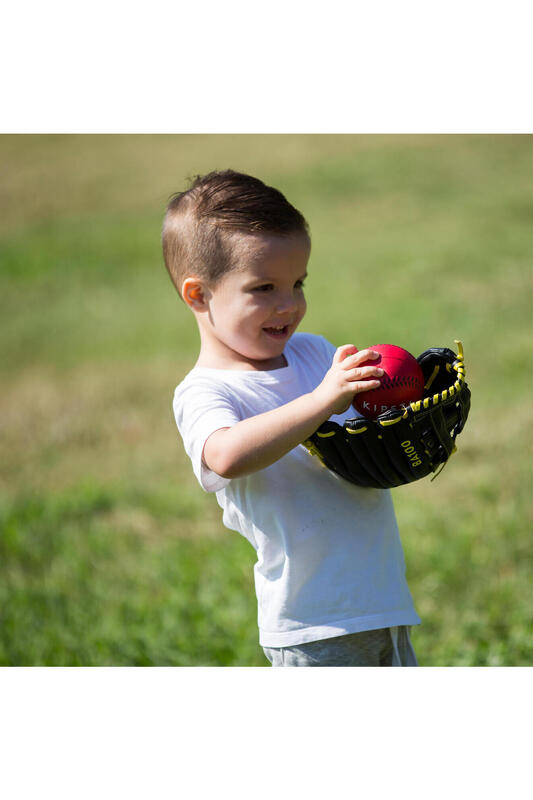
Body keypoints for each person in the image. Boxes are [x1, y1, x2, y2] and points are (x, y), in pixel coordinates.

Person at [166, 170, 420, 666]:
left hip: (381, 602)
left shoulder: (313, 356)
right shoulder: (206, 390)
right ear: (199, 295)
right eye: (264, 287)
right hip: (311, 624)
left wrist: (403, 411)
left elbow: (360, 439)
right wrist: (325, 398)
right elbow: (225, 455)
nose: (291, 304)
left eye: (298, 283)